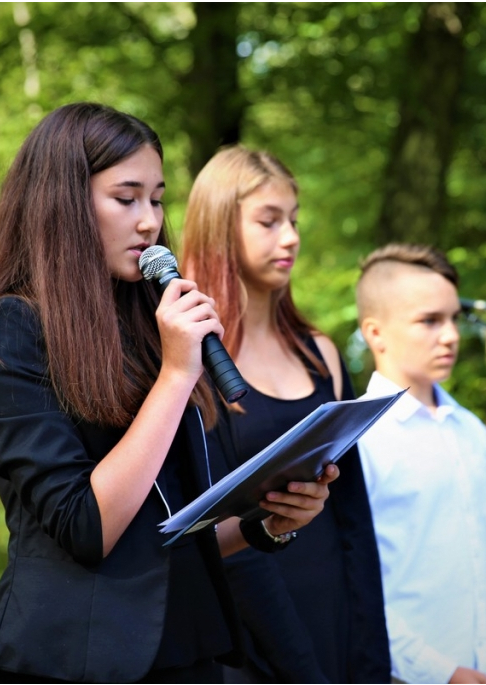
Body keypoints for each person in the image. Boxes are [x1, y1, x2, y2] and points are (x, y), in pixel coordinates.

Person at [0, 103, 338, 684]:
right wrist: (176, 377)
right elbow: (87, 528)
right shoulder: (7, 331)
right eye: (126, 199)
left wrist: (266, 520)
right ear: (63, 203)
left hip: (190, 650)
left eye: (157, 198)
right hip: (81, 659)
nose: (149, 221)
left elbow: (168, 531)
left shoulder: (148, 327)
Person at [181, 146, 390, 683]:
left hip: (335, 621)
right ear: (220, 227)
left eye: (293, 220)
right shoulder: (187, 364)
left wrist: (368, 660)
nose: (291, 237)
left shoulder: (319, 352)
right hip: (246, 645)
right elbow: (208, 535)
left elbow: (353, 522)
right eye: (269, 221)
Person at [352, 243, 486, 684]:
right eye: (429, 321)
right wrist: (440, 673)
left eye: (454, 318)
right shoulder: (360, 441)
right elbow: (357, 585)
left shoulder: (471, 432)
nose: (452, 335)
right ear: (375, 333)